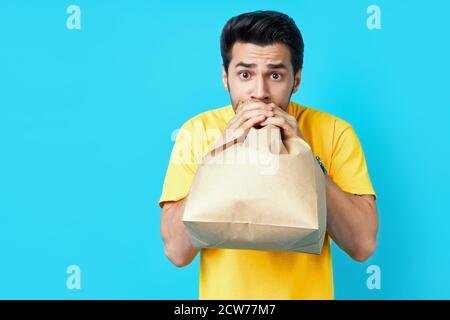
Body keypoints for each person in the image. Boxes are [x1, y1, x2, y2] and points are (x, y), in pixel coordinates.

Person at [158, 10, 378, 300]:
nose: (259, 93)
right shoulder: (197, 131)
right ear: (226, 77)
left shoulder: (335, 132)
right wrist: (220, 158)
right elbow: (177, 251)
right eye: (245, 74)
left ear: (296, 80)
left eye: (275, 75)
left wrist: (305, 158)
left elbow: (362, 245)